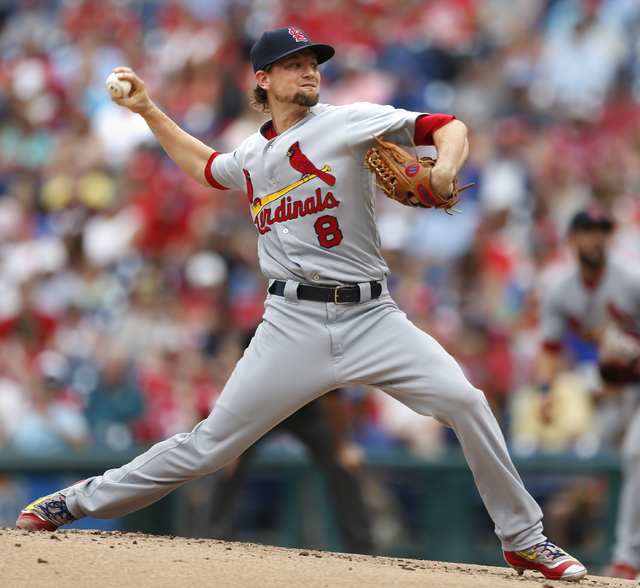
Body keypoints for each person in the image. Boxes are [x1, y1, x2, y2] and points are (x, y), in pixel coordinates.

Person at [16, 26, 586, 582]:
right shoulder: (252, 154)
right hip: (291, 323)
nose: (310, 70)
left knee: (465, 401)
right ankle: (73, 502)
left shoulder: (348, 122)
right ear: (263, 80)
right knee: (209, 447)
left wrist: (444, 168)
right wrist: (147, 110)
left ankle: (525, 540)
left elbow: (448, 125)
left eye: (313, 62)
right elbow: (204, 166)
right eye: (294, 64)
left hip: (372, 316)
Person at [535, 206, 640, 580]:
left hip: (628, 377)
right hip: (621, 387)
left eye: (602, 231)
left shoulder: (630, 278)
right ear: (573, 238)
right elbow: (550, 346)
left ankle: (627, 558)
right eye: (587, 230)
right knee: (615, 454)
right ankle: (626, 556)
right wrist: (546, 391)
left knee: (635, 452)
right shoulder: (561, 289)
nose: (596, 238)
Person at [203, 390, 373, 554]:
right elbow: (240, 383)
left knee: (342, 465)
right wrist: (230, 443)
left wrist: (341, 447)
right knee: (227, 460)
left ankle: (363, 551)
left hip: (305, 407)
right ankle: (213, 542)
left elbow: (331, 397)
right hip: (263, 404)